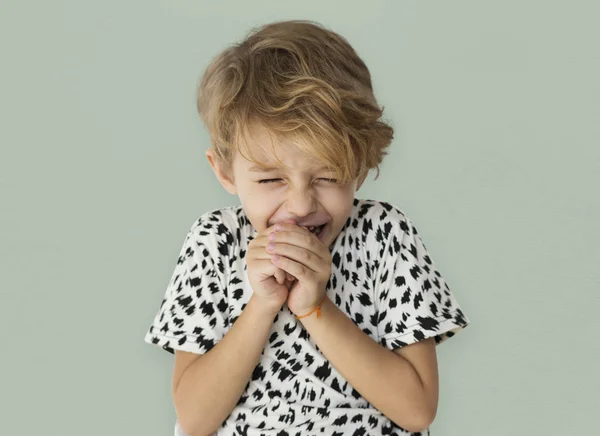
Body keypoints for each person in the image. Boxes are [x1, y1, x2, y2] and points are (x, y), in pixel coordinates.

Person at [144, 20, 471, 436]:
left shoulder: (382, 233)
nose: (300, 206)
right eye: (269, 180)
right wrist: (262, 305)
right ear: (224, 172)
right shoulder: (215, 241)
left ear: (360, 162)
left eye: (329, 177)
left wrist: (316, 309)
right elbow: (194, 419)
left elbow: (417, 410)